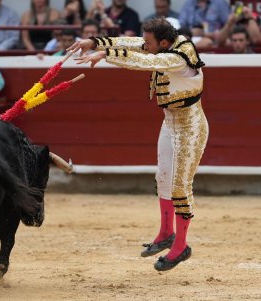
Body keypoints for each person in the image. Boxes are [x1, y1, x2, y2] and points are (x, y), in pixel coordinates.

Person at [68, 17, 208, 271]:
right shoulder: (165, 45)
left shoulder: (178, 57)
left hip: (190, 127)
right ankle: (167, 233)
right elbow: (135, 44)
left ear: (164, 42)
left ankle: (181, 246)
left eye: (150, 42)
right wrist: (95, 41)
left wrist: (105, 54)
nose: (145, 45)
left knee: (179, 186)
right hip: (170, 122)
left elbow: (147, 61)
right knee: (163, 179)